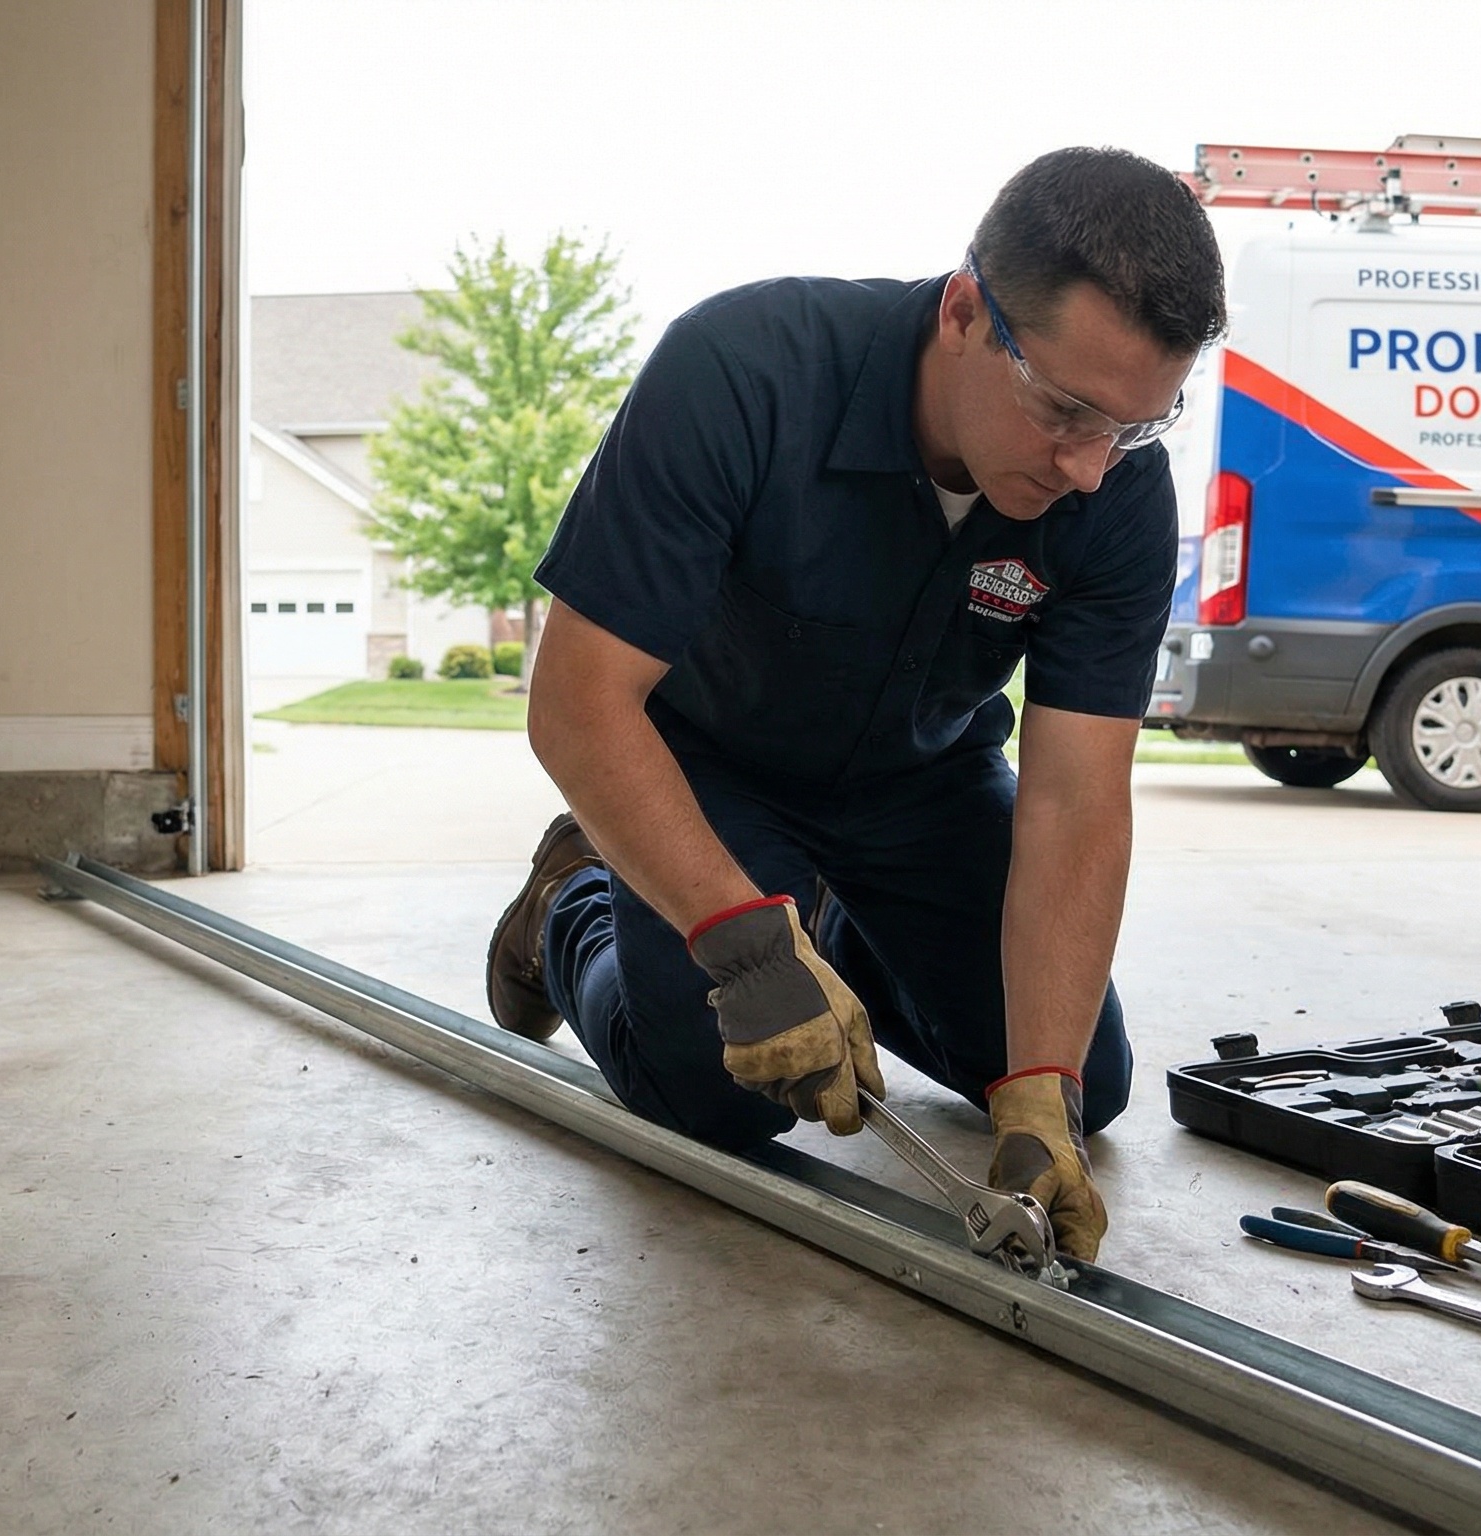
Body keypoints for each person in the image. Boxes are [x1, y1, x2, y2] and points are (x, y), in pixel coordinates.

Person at [483, 147, 1225, 1262]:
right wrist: (745, 952)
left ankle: (827, 933)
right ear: (966, 312)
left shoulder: (1111, 489)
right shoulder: (740, 371)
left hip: (922, 785)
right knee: (718, 1097)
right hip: (709, 770)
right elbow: (578, 705)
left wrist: (1038, 1088)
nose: (1089, 469)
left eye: (1131, 426)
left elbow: (1075, 803)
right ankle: (573, 901)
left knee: (1085, 1085)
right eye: (1067, 412)